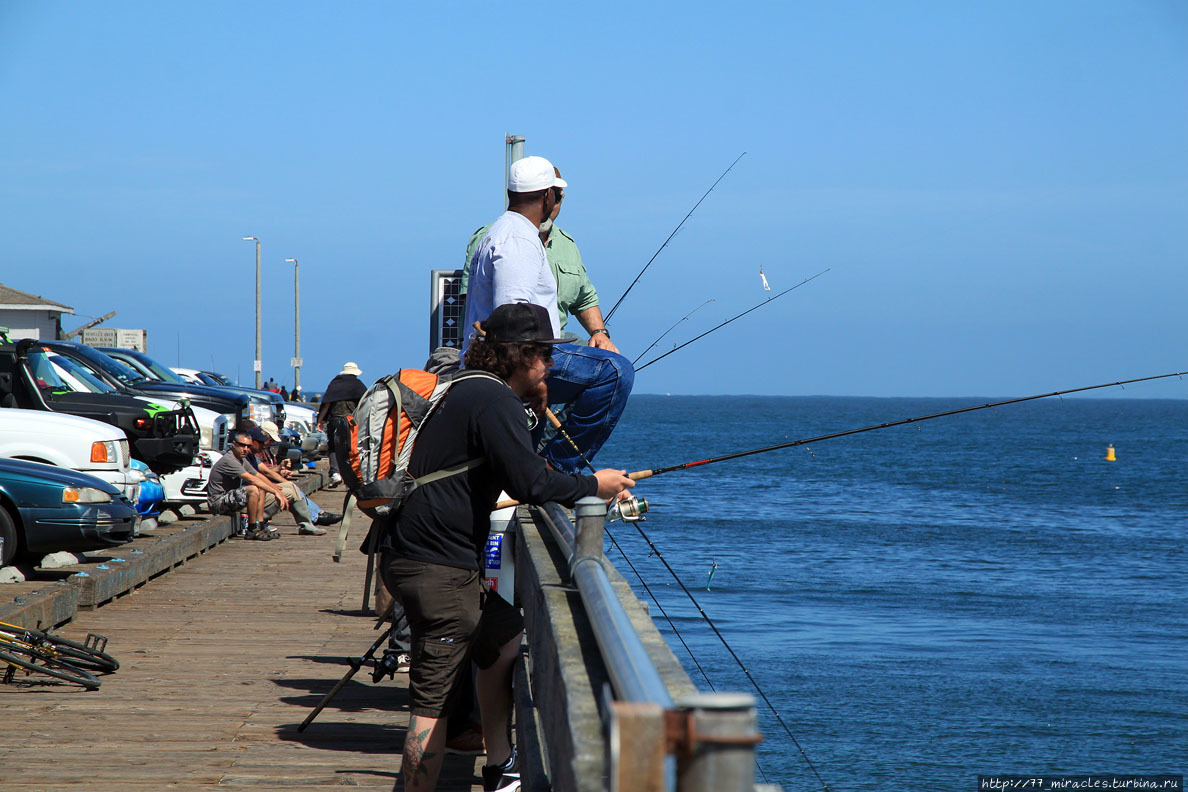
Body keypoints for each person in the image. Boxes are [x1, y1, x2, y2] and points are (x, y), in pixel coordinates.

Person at [379, 302, 634, 792]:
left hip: (422, 556)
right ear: (521, 356)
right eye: (544, 354)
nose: (553, 366)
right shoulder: (493, 401)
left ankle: (500, 762)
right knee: (431, 710)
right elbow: (530, 481)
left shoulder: (469, 389)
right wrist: (593, 485)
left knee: (503, 638)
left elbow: (502, 470)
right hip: (438, 569)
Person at [461, 157, 634, 475]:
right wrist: (537, 382)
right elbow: (512, 325)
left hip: (521, 362)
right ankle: (557, 470)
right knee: (615, 372)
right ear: (547, 196)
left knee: (516, 458)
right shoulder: (518, 241)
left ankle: (531, 473)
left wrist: (599, 333)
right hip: (515, 364)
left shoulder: (508, 232)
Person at [205, 431, 284, 541]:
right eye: (242, 445)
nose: (245, 449)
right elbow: (251, 478)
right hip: (218, 502)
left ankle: (260, 525)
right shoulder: (229, 460)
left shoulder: (242, 459)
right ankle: (252, 529)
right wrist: (275, 492)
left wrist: (276, 490)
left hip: (230, 499)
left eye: (248, 446)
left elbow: (257, 475)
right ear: (234, 444)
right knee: (252, 489)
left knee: (260, 488)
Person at [316, 362, 367, 486]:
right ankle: (353, 475)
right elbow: (365, 403)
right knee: (351, 447)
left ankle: (335, 473)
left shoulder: (335, 383)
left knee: (333, 446)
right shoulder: (358, 385)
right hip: (351, 422)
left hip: (335, 420)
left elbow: (327, 403)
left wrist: (320, 421)